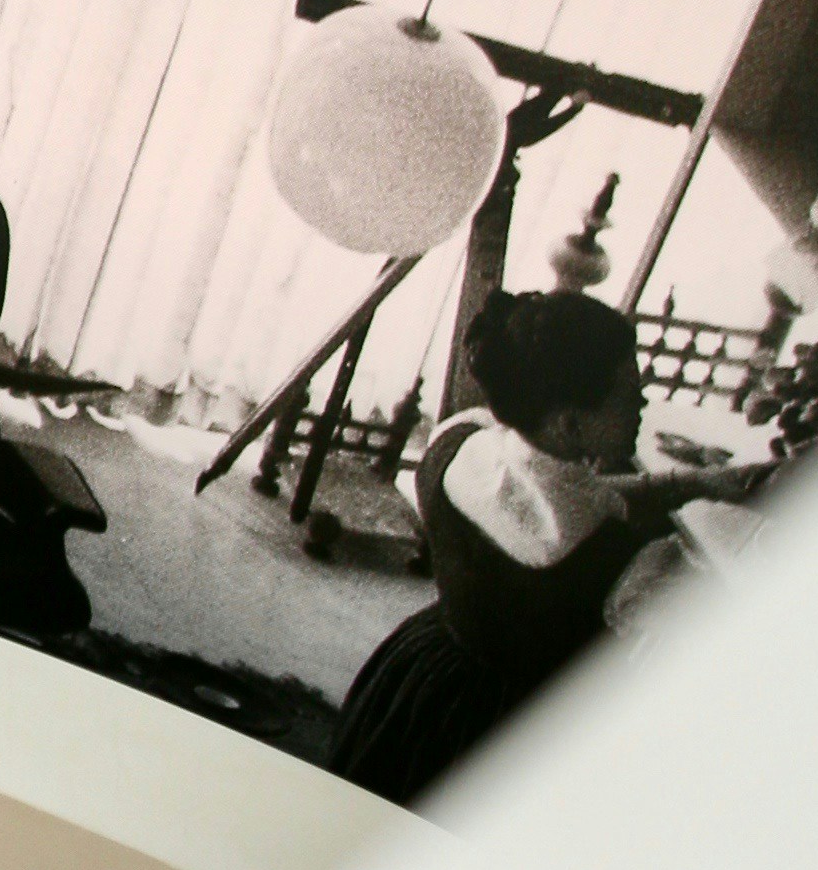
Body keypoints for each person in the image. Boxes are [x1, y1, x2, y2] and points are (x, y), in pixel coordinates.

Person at [327, 289, 768, 806]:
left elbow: (565, 494)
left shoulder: (461, 439)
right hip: (506, 730)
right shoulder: (611, 558)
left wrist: (692, 482)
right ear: (569, 424)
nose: (643, 405)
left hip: (424, 675)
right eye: (629, 396)